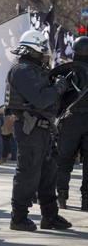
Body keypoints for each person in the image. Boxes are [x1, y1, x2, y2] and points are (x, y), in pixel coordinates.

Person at [5, 29, 72, 231]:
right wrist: (60, 87)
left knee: (47, 174)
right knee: (28, 173)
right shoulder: (22, 70)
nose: (45, 54)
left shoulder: (35, 70)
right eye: (42, 49)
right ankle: (18, 218)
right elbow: (41, 99)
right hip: (29, 128)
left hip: (43, 129)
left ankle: (50, 216)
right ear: (33, 49)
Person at [56, 36, 88, 210]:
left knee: (64, 160)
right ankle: (86, 201)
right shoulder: (70, 72)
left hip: (71, 120)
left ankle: (61, 195)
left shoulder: (69, 72)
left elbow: (58, 96)